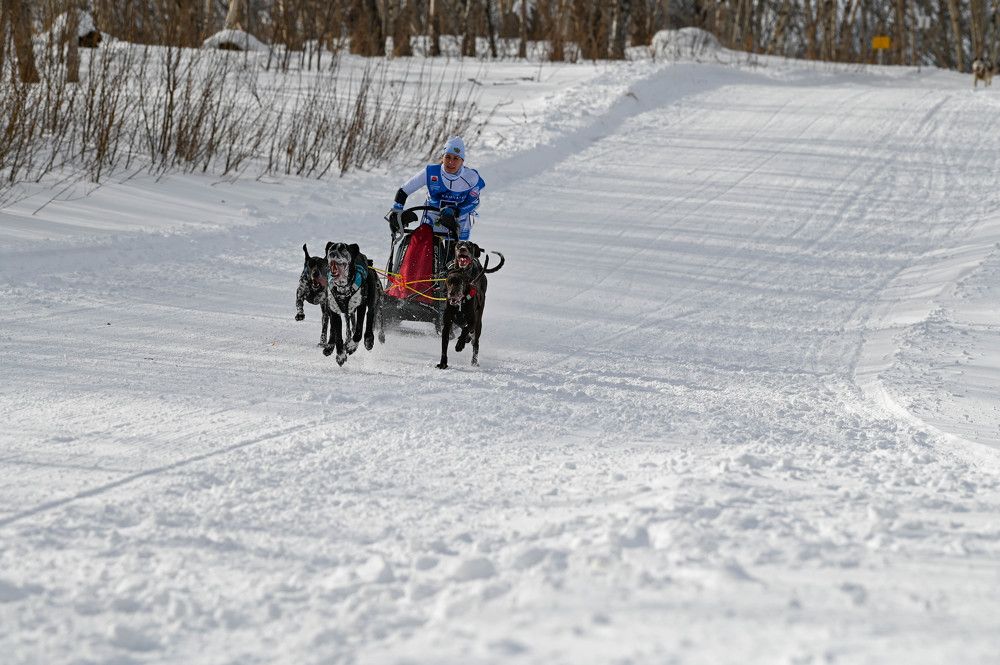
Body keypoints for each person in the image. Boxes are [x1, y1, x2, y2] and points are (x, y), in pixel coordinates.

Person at [387, 136, 485, 241]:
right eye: (447, 157)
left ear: (462, 161)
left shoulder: (471, 177)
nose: (451, 162)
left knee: (455, 252)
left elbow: (474, 203)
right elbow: (403, 191)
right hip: (432, 216)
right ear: (442, 157)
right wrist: (397, 210)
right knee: (424, 248)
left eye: (456, 158)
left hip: (458, 220)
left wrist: (456, 211)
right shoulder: (431, 172)